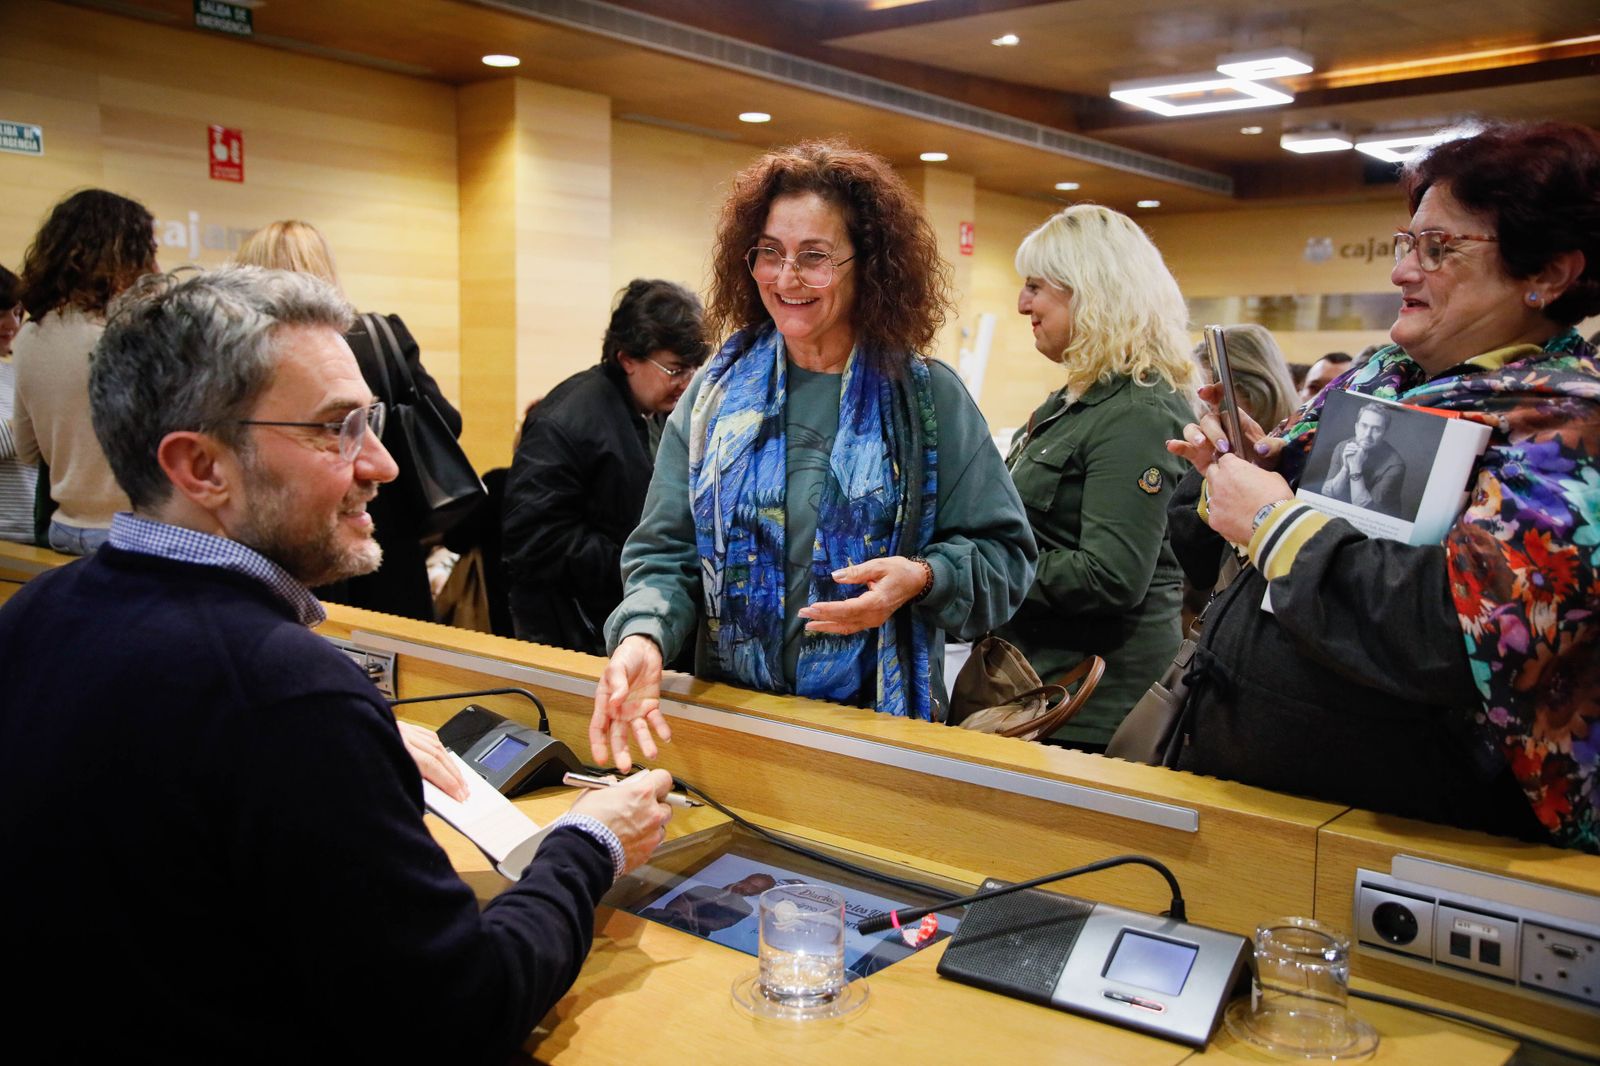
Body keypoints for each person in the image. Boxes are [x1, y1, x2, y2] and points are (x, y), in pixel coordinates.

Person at [0, 267, 675, 1061]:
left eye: (370, 421)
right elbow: (459, 1009)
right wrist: (587, 844)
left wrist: (345, 756)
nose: (383, 466)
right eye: (336, 429)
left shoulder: (35, 613)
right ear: (202, 467)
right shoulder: (286, 695)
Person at [1165, 121, 1600, 852]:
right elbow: (1223, 555)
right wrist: (1224, 475)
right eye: (1407, 243)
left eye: (1440, 249)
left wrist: (1271, 520)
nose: (1402, 272)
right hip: (1251, 786)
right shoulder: (1376, 379)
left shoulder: (1568, 429)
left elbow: (1455, 634)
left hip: (1410, 839)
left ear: (1548, 274)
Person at [590, 140, 1036, 769]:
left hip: (877, 740)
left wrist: (924, 577)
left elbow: (1006, 558)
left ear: (869, 266)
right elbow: (666, 552)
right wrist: (643, 635)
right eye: (769, 253)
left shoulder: (926, 400)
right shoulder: (715, 396)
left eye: (815, 257)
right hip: (735, 726)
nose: (786, 277)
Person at [996, 205, 1196, 749]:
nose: (1022, 305)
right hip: (1042, 685)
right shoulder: (1076, 401)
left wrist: (987, 566)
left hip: (1090, 711)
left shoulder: (1139, 411)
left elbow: (1110, 574)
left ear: (1092, 290)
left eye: (1036, 286)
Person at [235, 219, 461, 621]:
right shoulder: (378, 335)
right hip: (389, 536)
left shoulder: (243, 359)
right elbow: (447, 420)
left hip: (292, 543)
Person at [503, 278, 709, 653]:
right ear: (627, 357)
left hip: (624, 615)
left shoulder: (657, 412)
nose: (687, 383)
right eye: (675, 370)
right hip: (574, 633)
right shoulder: (565, 419)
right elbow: (534, 539)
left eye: (695, 368)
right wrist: (639, 562)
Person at [11, 188, 156, 553]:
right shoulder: (127, 337)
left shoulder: (29, 335)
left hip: (63, 529)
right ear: (126, 258)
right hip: (133, 535)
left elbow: (29, 452)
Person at [0, 265, 38, 542]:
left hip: (35, 531)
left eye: (16, 312)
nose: (12, 325)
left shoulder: (15, 373)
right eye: (1, 313)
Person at [1318, 401, 1406, 514]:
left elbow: (1365, 511)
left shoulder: (1395, 465)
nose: (1367, 434)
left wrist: (1355, 467)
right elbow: (1327, 493)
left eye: (1376, 429)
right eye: (1364, 426)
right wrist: (1345, 468)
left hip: (1378, 524)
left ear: (1384, 433)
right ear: (1356, 427)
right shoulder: (1343, 446)